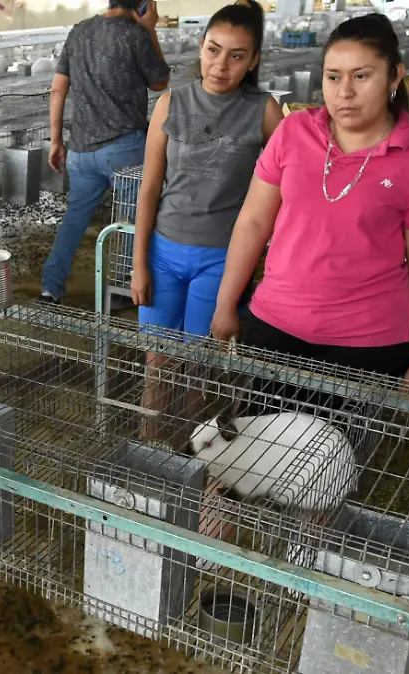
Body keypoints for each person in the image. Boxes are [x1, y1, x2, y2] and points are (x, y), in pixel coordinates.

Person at [211, 12, 409, 389]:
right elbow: (253, 222)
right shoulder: (293, 132)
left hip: (368, 343)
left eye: (362, 75)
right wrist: (226, 305)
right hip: (275, 324)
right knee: (260, 439)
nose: (345, 92)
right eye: (333, 76)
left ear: (395, 76)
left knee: (342, 447)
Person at [129, 0, 282, 443]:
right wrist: (139, 264)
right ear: (200, 47)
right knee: (157, 365)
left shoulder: (264, 111)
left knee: (199, 370)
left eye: (237, 55)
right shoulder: (171, 103)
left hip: (220, 260)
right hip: (163, 254)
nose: (221, 65)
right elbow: (150, 188)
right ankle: (149, 452)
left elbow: (293, 173)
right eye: (214, 50)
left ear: (253, 60)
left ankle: (189, 458)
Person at [41, 0, 171, 307]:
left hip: (82, 150)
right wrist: (150, 28)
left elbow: (58, 89)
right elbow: (160, 81)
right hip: (125, 148)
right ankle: (125, 287)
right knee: (132, 218)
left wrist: (57, 140)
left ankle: (50, 288)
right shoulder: (134, 34)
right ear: (141, 4)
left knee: (74, 220)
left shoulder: (78, 32)